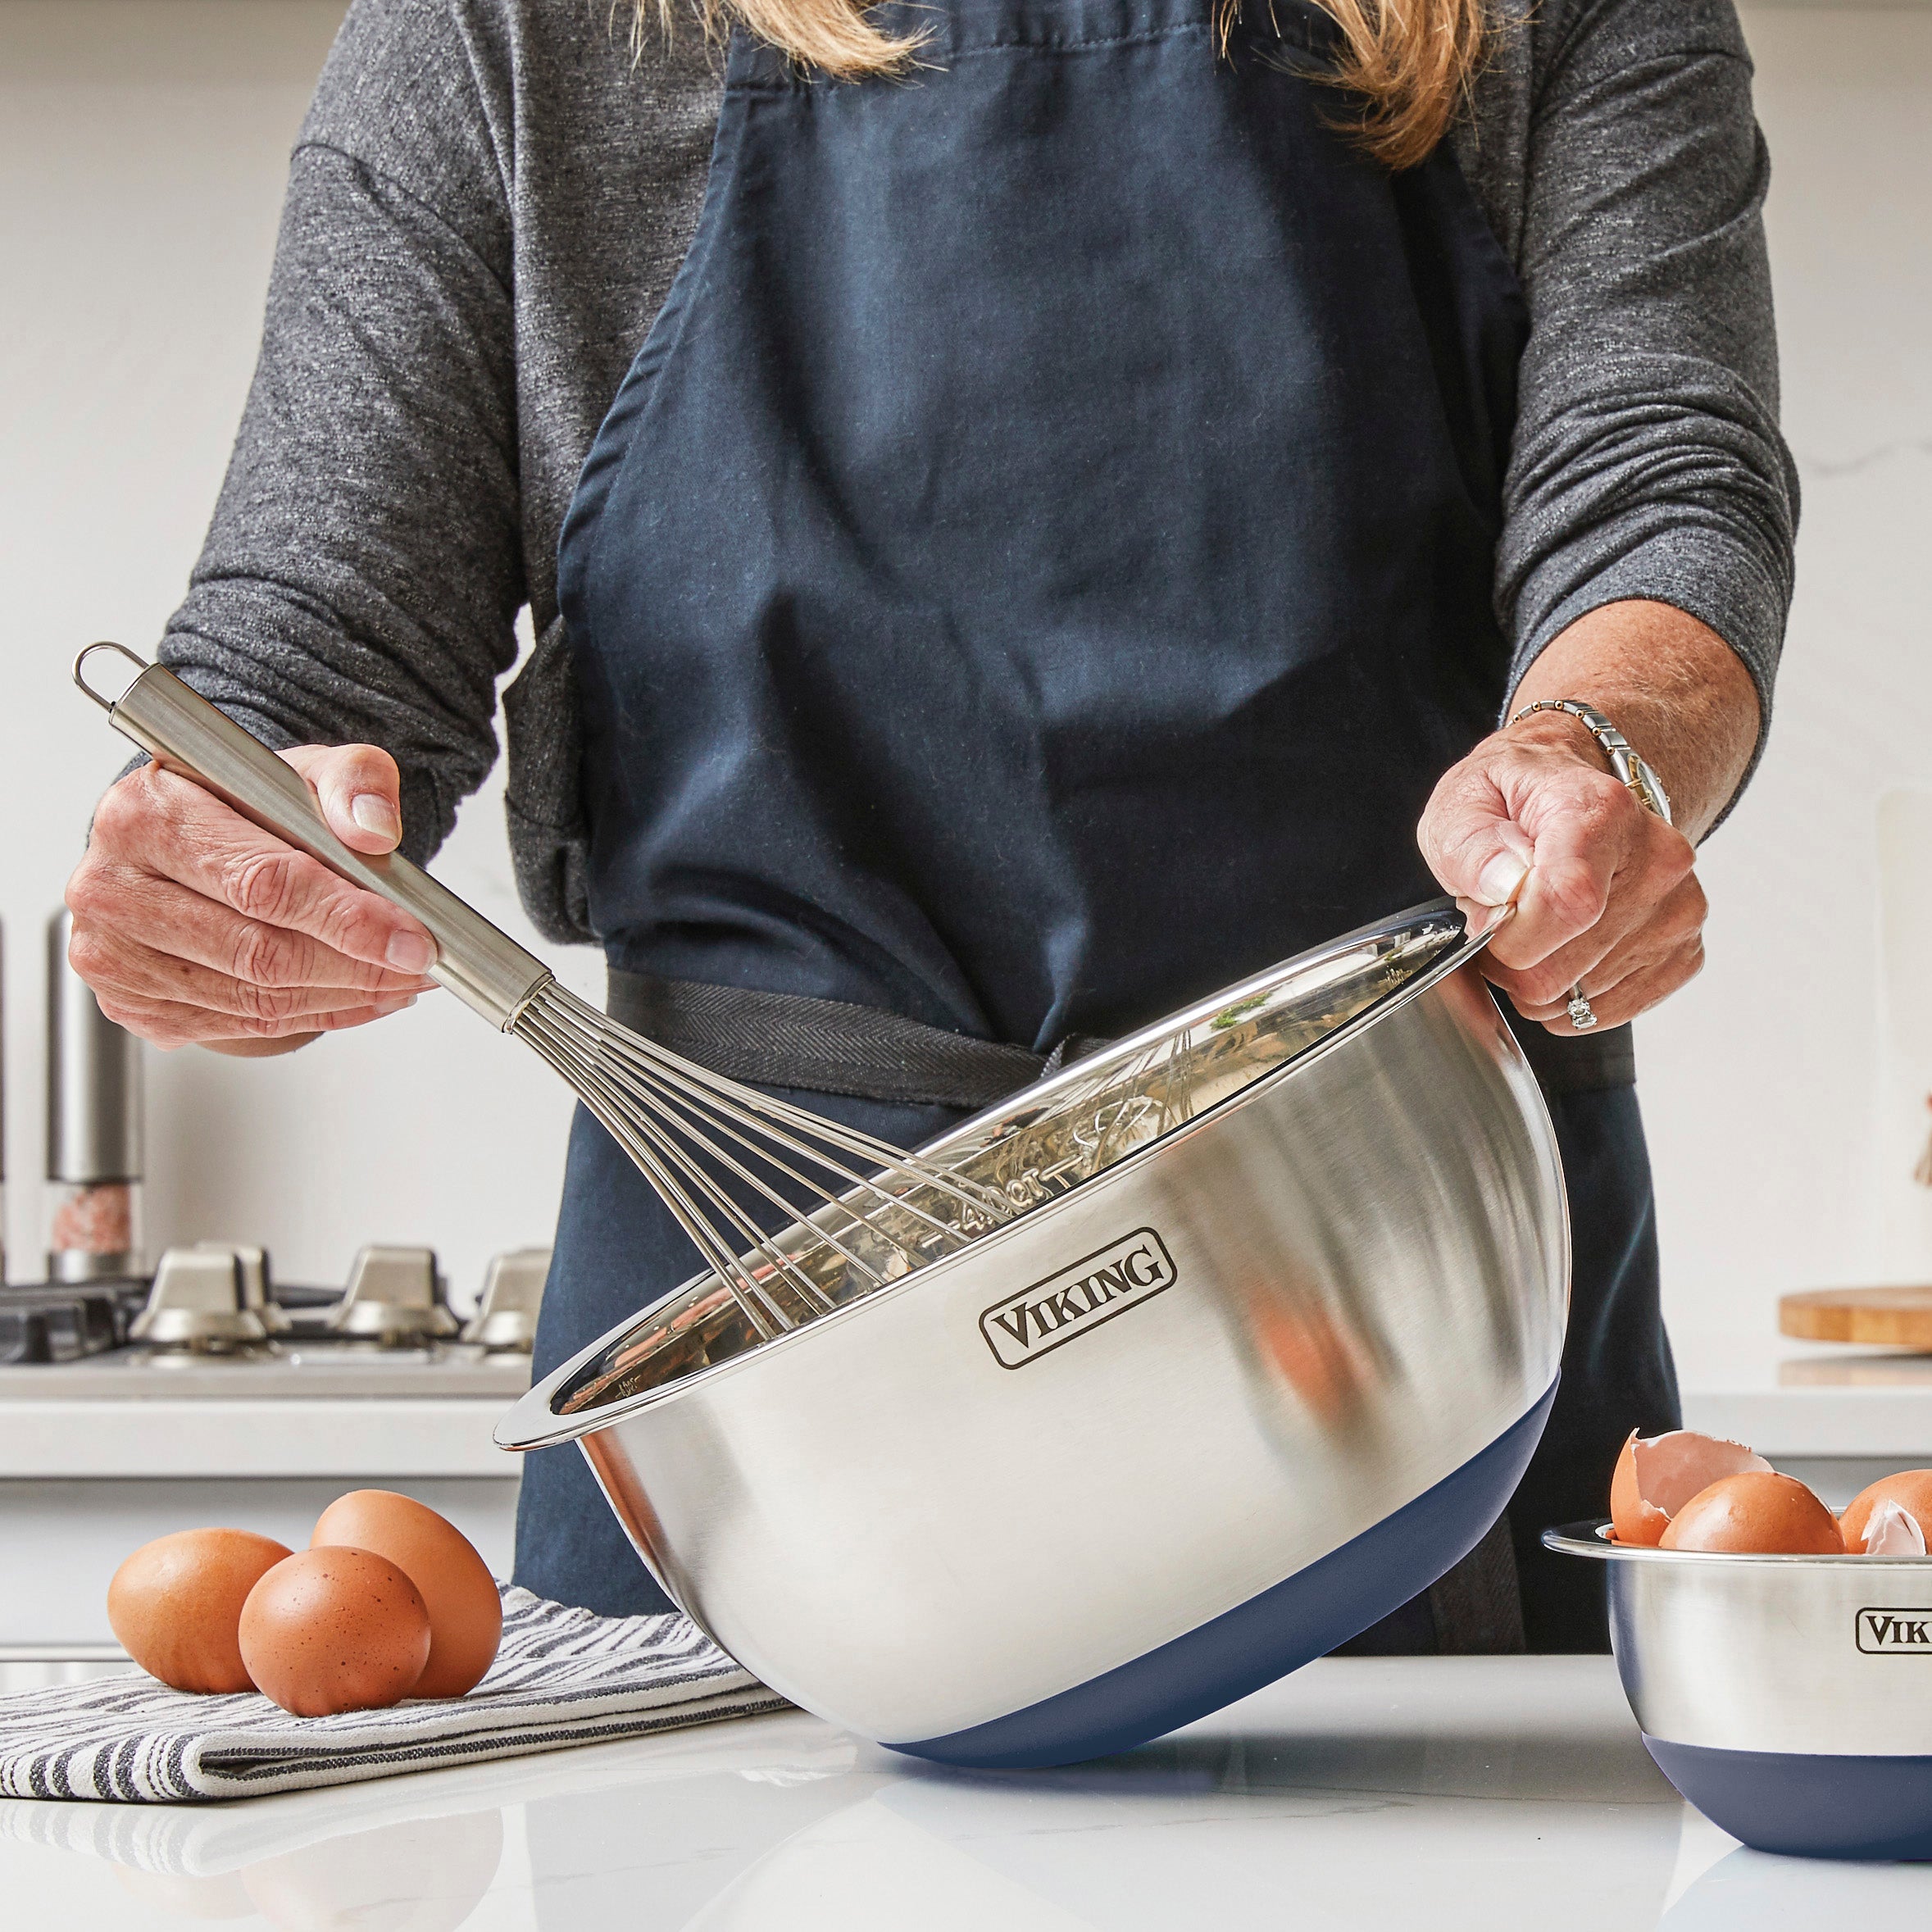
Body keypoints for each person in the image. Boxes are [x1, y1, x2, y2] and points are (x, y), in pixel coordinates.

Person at [63, 0, 1793, 1651]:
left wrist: (1595, 751)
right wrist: (220, 845)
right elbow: (307, 647)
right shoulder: (519, 29)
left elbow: (1661, 481)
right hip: (772, 1380)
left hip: (1394, 1324)